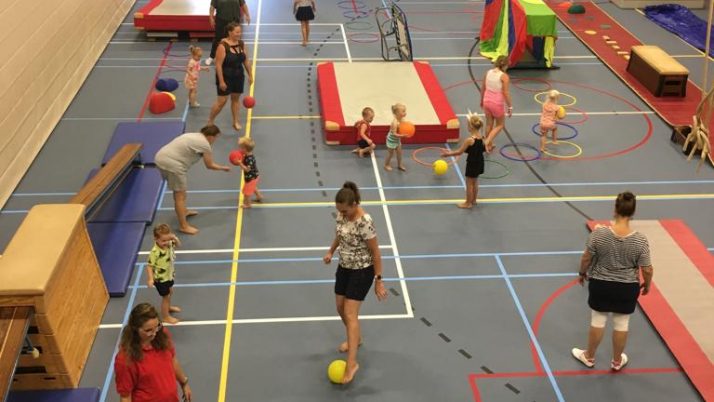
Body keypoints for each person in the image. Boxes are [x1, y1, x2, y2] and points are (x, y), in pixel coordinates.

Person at [572, 191, 654, 371]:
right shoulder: (640, 240)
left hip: (601, 285)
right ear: (633, 213)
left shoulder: (599, 234)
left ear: (615, 209)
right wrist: (647, 285)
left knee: (598, 320)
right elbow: (647, 269)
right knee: (622, 323)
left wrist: (581, 273)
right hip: (627, 288)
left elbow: (586, 258)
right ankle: (617, 362)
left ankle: (589, 357)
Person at [323, 182, 388, 384]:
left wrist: (379, 280)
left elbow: (376, 253)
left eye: (345, 210)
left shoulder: (365, 221)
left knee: (351, 314)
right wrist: (331, 251)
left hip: (362, 271)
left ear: (353, 205)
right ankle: (356, 339)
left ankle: (352, 364)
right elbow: (340, 234)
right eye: (339, 211)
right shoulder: (343, 215)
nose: (342, 214)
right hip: (344, 267)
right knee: (340, 308)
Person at [155, 125, 231, 235]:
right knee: (179, 196)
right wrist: (223, 168)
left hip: (160, 158)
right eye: (216, 137)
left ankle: (184, 211)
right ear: (211, 137)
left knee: (181, 190)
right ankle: (183, 226)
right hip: (173, 165)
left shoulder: (193, 135)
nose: (215, 140)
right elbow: (209, 165)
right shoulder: (205, 145)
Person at [114, 303, 192, 402]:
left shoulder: (162, 335)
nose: (154, 333)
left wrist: (184, 383)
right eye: (148, 330)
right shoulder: (125, 359)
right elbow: (125, 396)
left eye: (157, 327)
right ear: (135, 330)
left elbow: (172, 360)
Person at [207, 22, 254, 131]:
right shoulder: (222, 46)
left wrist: (250, 75)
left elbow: (246, 61)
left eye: (240, 32)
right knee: (222, 101)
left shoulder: (242, 44)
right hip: (225, 76)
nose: (239, 34)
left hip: (238, 76)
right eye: (237, 32)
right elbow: (218, 65)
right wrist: (222, 81)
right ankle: (210, 120)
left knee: (235, 99)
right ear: (230, 32)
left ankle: (235, 121)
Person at [441, 112, 485, 209]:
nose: (467, 127)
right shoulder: (482, 137)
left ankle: (467, 203)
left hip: (472, 163)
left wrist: (448, 154)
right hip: (480, 162)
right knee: (475, 181)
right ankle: (474, 200)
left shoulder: (470, 140)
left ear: (471, 127)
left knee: (469, 183)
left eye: (468, 125)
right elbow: (482, 149)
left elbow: (459, 152)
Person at [146, 224, 182, 324]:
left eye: (167, 239)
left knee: (170, 292)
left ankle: (168, 307)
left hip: (169, 275)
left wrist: (174, 238)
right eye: (163, 241)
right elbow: (149, 266)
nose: (166, 243)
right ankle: (165, 316)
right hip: (160, 279)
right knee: (166, 297)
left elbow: (179, 245)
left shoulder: (169, 243)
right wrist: (150, 279)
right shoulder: (155, 252)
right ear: (155, 239)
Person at [480, 55, 513, 152]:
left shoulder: (488, 72)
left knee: (489, 124)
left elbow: (483, 88)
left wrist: (481, 100)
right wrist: (510, 107)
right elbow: (506, 93)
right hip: (496, 103)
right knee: (500, 125)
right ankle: (487, 141)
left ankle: (489, 146)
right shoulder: (504, 76)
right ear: (505, 65)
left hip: (487, 101)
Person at [206, 0, 250, 66]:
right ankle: (212, 57)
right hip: (221, 20)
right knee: (218, 38)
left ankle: (237, 57)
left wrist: (247, 15)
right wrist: (211, 17)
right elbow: (212, 6)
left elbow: (243, 4)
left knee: (235, 39)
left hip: (234, 20)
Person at [235, 136, 262, 208]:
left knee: (246, 193)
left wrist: (240, 163)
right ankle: (259, 197)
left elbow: (247, 169)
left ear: (245, 149)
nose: (239, 149)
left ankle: (248, 204)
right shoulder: (248, 155)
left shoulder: (249, 159)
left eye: (241, 147)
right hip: (254, 176)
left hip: (251, 178)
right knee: (253, 187)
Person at [384, 103, 407, 172]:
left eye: (405, 111)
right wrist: (402, 136)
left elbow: (404, 127)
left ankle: (399, 164)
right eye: (403, 111)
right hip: (391, 140)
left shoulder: (401, 120)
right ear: (397, 113)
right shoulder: (394, 122)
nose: (405, 113)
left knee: (399, 153)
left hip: (397, 140)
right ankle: (386, 164)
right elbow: (394, 134)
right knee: (390, 154)